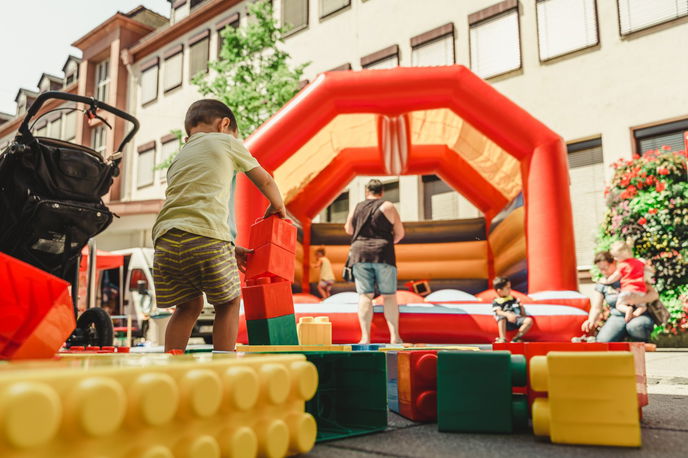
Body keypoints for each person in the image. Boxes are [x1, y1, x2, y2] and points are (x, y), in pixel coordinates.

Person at [152, 99, 286, 352]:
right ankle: (223, 361)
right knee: (229, 302)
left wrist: (230, 247)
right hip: (208, 239)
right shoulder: (226, 142)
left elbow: (190, 209)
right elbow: (265, 181)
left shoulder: (180, 157)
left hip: (165, 241)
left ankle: (171, 365)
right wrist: (278, 205)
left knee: (187, 306)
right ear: (225, 124)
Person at [344, 179, 404, 344]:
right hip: (383, 254)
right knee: (389, 296)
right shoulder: (388, 206)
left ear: (366, 191)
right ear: (382, 192)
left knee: (365, 295)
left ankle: (365, 338)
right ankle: (395, 337)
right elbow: (400, 233)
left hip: (359, 253)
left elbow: (349, 229)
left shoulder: (357, 206)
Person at [581, 251, 658, 342]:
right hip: (617, 316)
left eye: (605, 267)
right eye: (600, 269)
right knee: (603, 341)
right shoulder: (603, 283)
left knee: (636, 326)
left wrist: (637, 299)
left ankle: (641, 344)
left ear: (614, 263)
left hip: (638, 314)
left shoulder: (630, 275)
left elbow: (654, 295)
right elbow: (596, 307)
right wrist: (591, 320)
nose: (603, 271)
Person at [599, 241, 647, 322]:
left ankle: (628, 309)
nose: (615, 259)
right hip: (640, 290)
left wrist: (605, 281)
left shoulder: (622, 265)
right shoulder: (639, 262)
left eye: (616, 257)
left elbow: (614, 277)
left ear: (622, 255)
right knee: (643, 306)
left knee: (620, 305)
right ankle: (635, 315)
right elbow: (647, 271)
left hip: (627, 290)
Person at [491, 276, 533, 343]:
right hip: (506, 322)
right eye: (508, 288)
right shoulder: (497, 301)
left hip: (516, 319)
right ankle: (502, 338)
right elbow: (498, 311)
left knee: (529, 320)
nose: (510, 289)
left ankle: (516, 338)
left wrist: (521, 308)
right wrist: (508, 315)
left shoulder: (513, 299)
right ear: (499, 291)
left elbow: (523, 315)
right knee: (501, 317)